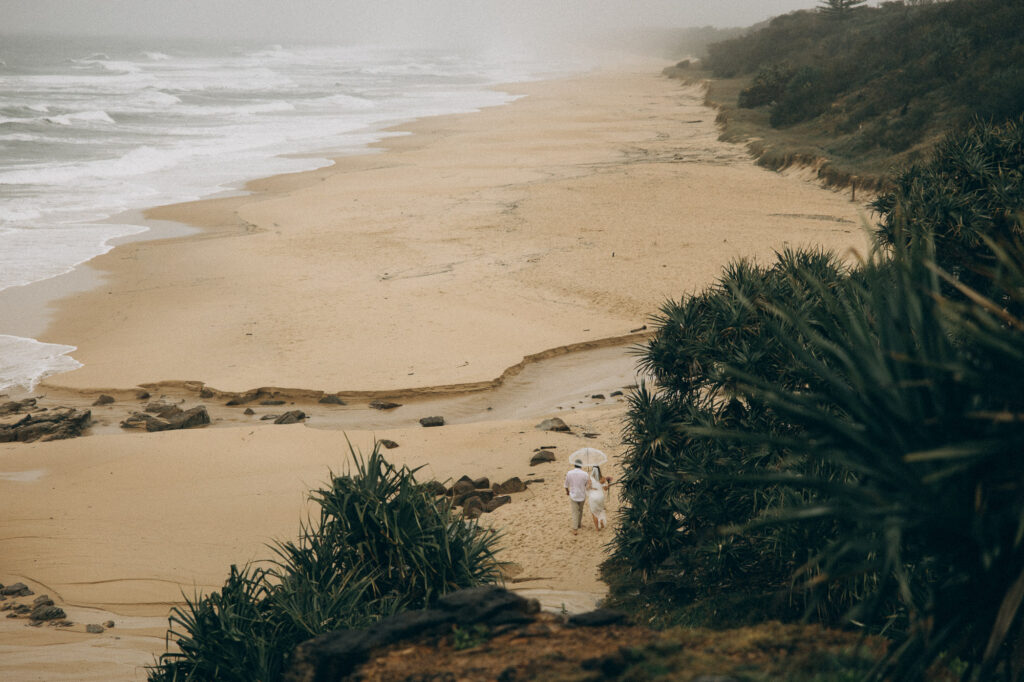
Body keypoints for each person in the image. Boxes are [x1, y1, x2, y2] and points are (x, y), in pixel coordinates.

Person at [564, 461, 591, 535]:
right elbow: (587, 485)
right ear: (581, 466)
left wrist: (567, 491)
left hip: (573, 495)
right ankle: (578, 524)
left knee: (574, 512)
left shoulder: (569, 473)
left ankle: (575, 528)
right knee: (580, 510)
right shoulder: (585, 474)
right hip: (582, 494)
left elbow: (566, 485)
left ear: (574, 465)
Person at [587, 465, 613, 531]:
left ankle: (597, 528)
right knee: (601, 510)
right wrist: (609, 484)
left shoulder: (590, 477)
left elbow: (588, 487)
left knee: (594, 512)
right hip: (600, 495)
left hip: (593, 495)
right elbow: (605, 489)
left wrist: (591, 486)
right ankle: (601, 520)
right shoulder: (602, 478)